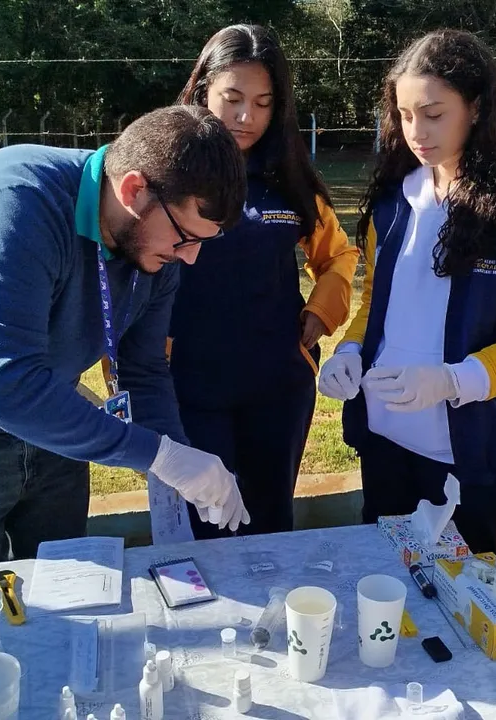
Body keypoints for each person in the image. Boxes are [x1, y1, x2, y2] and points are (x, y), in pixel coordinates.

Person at [0, 105, 251, 610]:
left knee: (64, 590)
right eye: (185, 239)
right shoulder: (15, 207)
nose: (190, 257)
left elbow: (143, 368)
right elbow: (7, 388)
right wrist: (158, 455)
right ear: (134, 190)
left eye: (203, 243)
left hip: (54, 415)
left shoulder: (159, 246)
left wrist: (178, 459)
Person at [317, 29, 496, 556]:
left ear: (476, 109)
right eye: (405, 114)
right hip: (383, 437)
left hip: (465, 449)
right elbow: (376, 308)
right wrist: (348, 351)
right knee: (389, 578)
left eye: (433, 114)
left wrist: (452, 380)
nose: (416, 131)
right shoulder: (394, 201)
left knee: (466, 597)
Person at [171, 25, 358, 538]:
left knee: (271, 517)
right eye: (231, 98)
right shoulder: (168, 170)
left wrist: (321, 312)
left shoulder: (288, 178)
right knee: (208, 523)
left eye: (262, 102)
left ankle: (279, 618)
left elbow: (338, 255)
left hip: (278, 385)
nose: (245, 117)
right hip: (190, 388)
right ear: (202, 90)